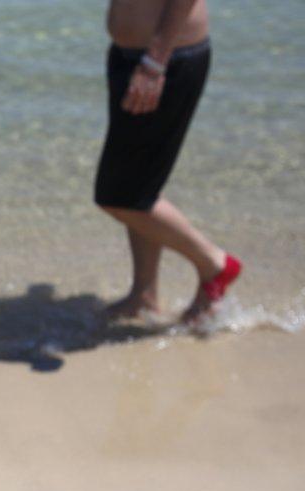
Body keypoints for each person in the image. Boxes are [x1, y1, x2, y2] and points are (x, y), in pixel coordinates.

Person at [95, 0, 241, 322]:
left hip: (164, 61)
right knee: (140, 185)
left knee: (120, 196)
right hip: (133, 56)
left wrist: (154, 63)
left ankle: (214, 264)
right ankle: (143, 295)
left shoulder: (156, 63)